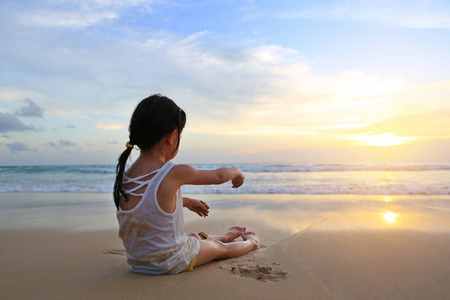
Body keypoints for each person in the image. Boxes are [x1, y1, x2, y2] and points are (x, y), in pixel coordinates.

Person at [114, 94, 260, 275]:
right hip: (170, 261)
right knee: (218, 248)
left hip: (137, 262)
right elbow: (218, 175)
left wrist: (186, 201)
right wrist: (237, 171)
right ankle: (251, 242)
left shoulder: (125, 176)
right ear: (172, 136)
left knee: (190, 238)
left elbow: (147, 206)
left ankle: (224, 236)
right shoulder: (173, 172)